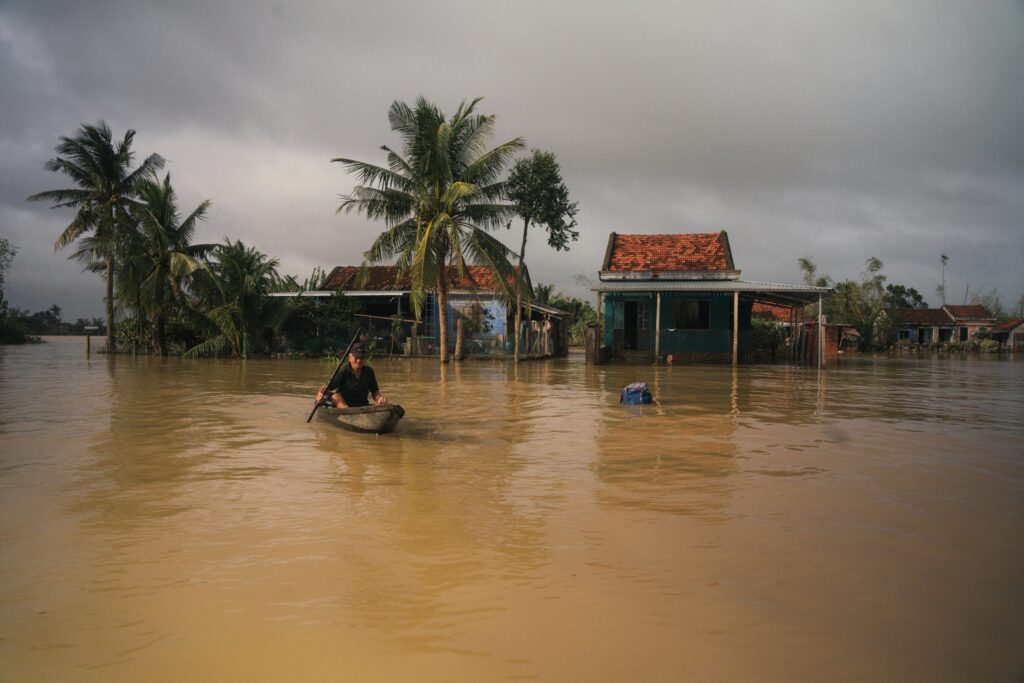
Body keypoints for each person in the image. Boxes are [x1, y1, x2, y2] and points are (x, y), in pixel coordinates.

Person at [316, 342, 387, 408]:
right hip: (343, 405)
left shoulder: (369, 372)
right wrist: (320, 394)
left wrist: (379, 398)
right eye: (356, 358)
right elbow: (326, 387)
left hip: (361, 405)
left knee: (383, 404)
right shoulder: (343, 371)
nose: (359, 361)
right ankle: (346, 410)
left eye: (362, 358)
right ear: (350, 358)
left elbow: (375, 392)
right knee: (335, 396)